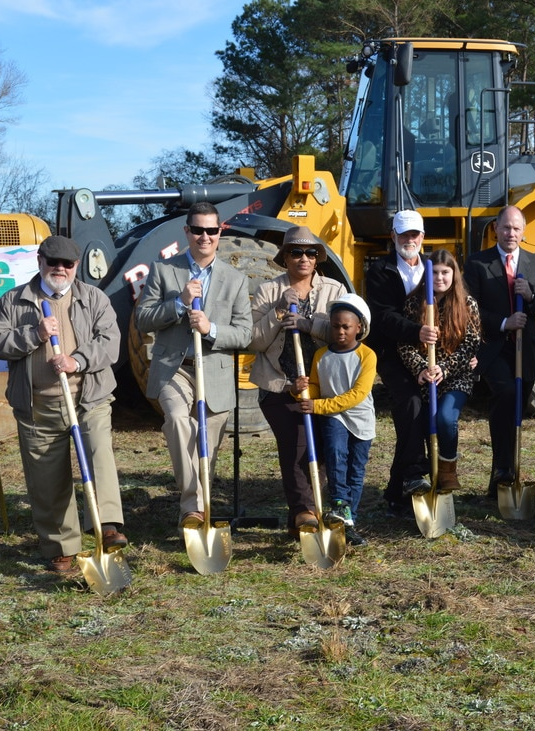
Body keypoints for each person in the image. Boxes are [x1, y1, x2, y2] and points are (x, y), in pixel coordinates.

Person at [0, 236, 126, 574]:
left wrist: (77, 361)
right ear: (40, 261)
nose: (59, 269)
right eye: (53, 262)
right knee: (46, 478)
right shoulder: (15, 300)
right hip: (37, 406)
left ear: (77, 267)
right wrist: (34, 334)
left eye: (67, 264)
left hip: (87, 398)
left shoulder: (94, 298)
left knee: (98, 453)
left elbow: (111, 343)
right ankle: (61, 546)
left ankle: (106, 525)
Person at [133, 202, 252, 536]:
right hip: (175, 368)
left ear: (220, 233)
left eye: (211, 230)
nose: (204, 236)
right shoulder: (163, 271)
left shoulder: (236, 280)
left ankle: (199, 505)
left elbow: (245, 333)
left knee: (207, 449)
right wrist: (179, 303)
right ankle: (193, 508)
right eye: (197, 230)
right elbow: (143, 318)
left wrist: (210, 329)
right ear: (186, 232)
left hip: (213, 371)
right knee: (176, 421)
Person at [249, 225, 346, 538]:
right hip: (279, 385)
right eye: (295, 252)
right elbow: (254, 341)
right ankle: (304, 510)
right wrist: (278, 311)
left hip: (323, 385)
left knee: (326, 449)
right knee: (296, 446)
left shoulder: (335, 291)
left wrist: (308, 323)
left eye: (310, 252)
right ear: (285, 257)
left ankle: (318, 511)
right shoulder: (268, 291)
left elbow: (348, 333)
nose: (303, 258)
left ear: (317, 258)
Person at [464, 205, 535, 497]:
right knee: (504, 396)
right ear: (496, 230)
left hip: (526, 351)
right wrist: (504, 322)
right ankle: (502, 471)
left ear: (523, 232)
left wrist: (531, 296)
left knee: (517, 407)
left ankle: (508, 474)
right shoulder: (477, 264)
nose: (510, 233)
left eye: (516, 228)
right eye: (505, 227)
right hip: (494, 349)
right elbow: (470, 310)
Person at [365, 210, 439, 511]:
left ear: (422, 237)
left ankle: (397, 491)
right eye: (404, 234)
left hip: (429, 352)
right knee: (410, 404)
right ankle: (414, 473)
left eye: (415, 234)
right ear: (393, 236)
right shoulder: (380, 271)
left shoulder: (434, 267)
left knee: (416, 417)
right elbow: (382, 317)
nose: (410, 240)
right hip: (391, 352)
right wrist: (416, 331)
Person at [398, 249, 482, 492]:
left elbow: (471, 344)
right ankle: (427, 475)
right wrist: (421, 368)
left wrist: (445, 368)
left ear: (454, 274)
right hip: (426, 377)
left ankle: (447, 469)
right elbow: (404, 343)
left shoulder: (467, 304)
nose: (440, 278)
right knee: (425, 424)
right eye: (434, 272)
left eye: (445, 272)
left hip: (456, 376)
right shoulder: (415, 303)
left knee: (445, 419)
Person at [295, 294, 376, 547]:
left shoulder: (367, 356)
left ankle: (349, 521)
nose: (340, 332)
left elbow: (356, 395)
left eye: (346, 327)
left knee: (356, 469)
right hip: (332, 416)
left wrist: (317, 405)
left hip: (360, 419)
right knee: (335, 454)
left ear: (359, 327)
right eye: (335, 326)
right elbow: (316, 388)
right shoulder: (321, 355)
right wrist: (300, 391)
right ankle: (339, 503)